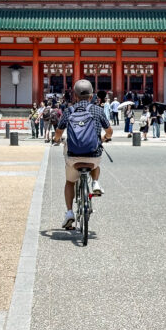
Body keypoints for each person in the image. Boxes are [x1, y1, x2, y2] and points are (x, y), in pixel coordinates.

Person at [53, 79, 113, 230]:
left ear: (75, 95)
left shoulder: (69, 111)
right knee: (96, 162)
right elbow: (109, 131)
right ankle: (95, 183)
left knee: (70, 181)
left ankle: (69, 213)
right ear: (92, 95)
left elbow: (58, 133)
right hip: (93, 155)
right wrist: (105, 138)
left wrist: (56, 140)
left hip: (74, 156)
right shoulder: (97, 110)